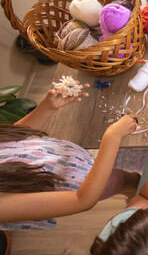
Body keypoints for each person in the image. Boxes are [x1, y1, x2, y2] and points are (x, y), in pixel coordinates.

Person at [0, 85, 140, 230]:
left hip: (79, 162)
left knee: (128, 180)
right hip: (88, 184)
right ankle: (138, 200)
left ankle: (134, 194)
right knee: (128, 180)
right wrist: (112, 137)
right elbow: (82, 200)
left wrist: (48, 106)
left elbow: (15, 137)